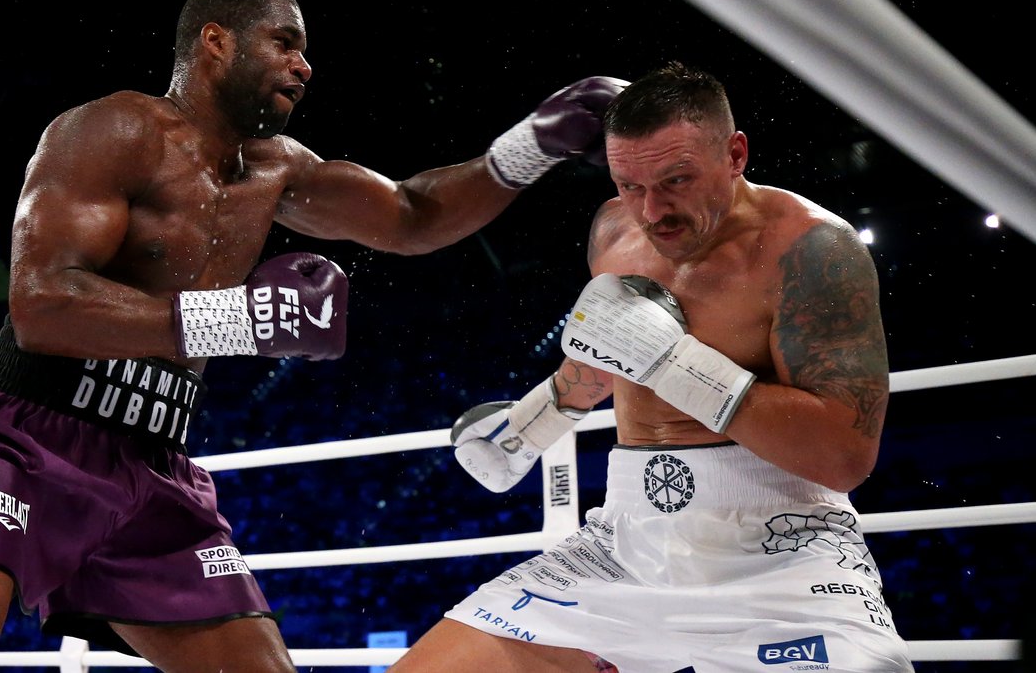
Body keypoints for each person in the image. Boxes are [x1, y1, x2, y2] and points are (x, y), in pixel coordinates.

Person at [0, 0, 626, 672]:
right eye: (284, 43)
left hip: (153, 464)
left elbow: (410, 216)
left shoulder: (276, 169)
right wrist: (239, 320)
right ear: (216, 41)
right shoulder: (114, 130)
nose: (304, 66)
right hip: (28, 442)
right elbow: (41, 305)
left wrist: (533, 144)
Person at [390, 61, 914, 672]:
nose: (652, 210)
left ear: (735, 154)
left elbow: (843, 457)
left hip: (783, 549)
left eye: (677, 180)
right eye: (630, 185)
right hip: (625, 543)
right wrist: (527, 428)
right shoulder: (614, 229)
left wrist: (674, 363)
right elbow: (613, 353)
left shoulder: (811, 250)